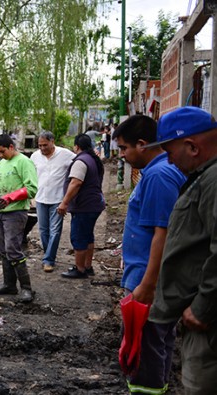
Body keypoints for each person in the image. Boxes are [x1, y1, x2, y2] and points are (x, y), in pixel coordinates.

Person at [146, 106, 217, 394]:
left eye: (170, 151)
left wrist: (202, 308)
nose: (169, 160)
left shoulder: (213, 181)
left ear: (192, 146)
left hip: (207, 324)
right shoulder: (203, 177)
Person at [113, 115, 186, 394]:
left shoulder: (158, 175)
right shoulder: (160, 171)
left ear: (142, 144)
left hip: (148, 280)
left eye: (123, 148)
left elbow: (164, 233)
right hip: (147, 275)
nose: (121, 156)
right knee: (156, 342)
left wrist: (147, 285)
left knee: (145, 347)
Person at [0, 134, 38, 303]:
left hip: (15, 212)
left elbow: (31, 188)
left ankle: (26, 288)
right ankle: (9, 284)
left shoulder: (24, 162)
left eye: (2, 152)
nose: (0, 155)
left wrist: (10, 197)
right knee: (2, 249)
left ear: (10, 147)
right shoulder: (1, 164)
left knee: (12, 249)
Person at [58, 134, 105, 279]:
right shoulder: (93, 159)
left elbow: (76, 183)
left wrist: (64, 202)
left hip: (84, 206)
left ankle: (79, 269)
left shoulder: (80, 161)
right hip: (94, 204)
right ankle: (87, 266)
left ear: (76, 146)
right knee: (88, 236)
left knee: (78, 237)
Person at [29, 131, 75, 272]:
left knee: (55, 230)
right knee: (43, 230)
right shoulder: (35, 156)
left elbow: (80, 163)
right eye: (40, 145)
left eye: (45, 145)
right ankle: (49, 254)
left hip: (57, 199)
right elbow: (31, 175)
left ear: (52, 141)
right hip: (41, 198)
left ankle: (48, 259)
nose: (42, 148)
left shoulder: (66, 154)